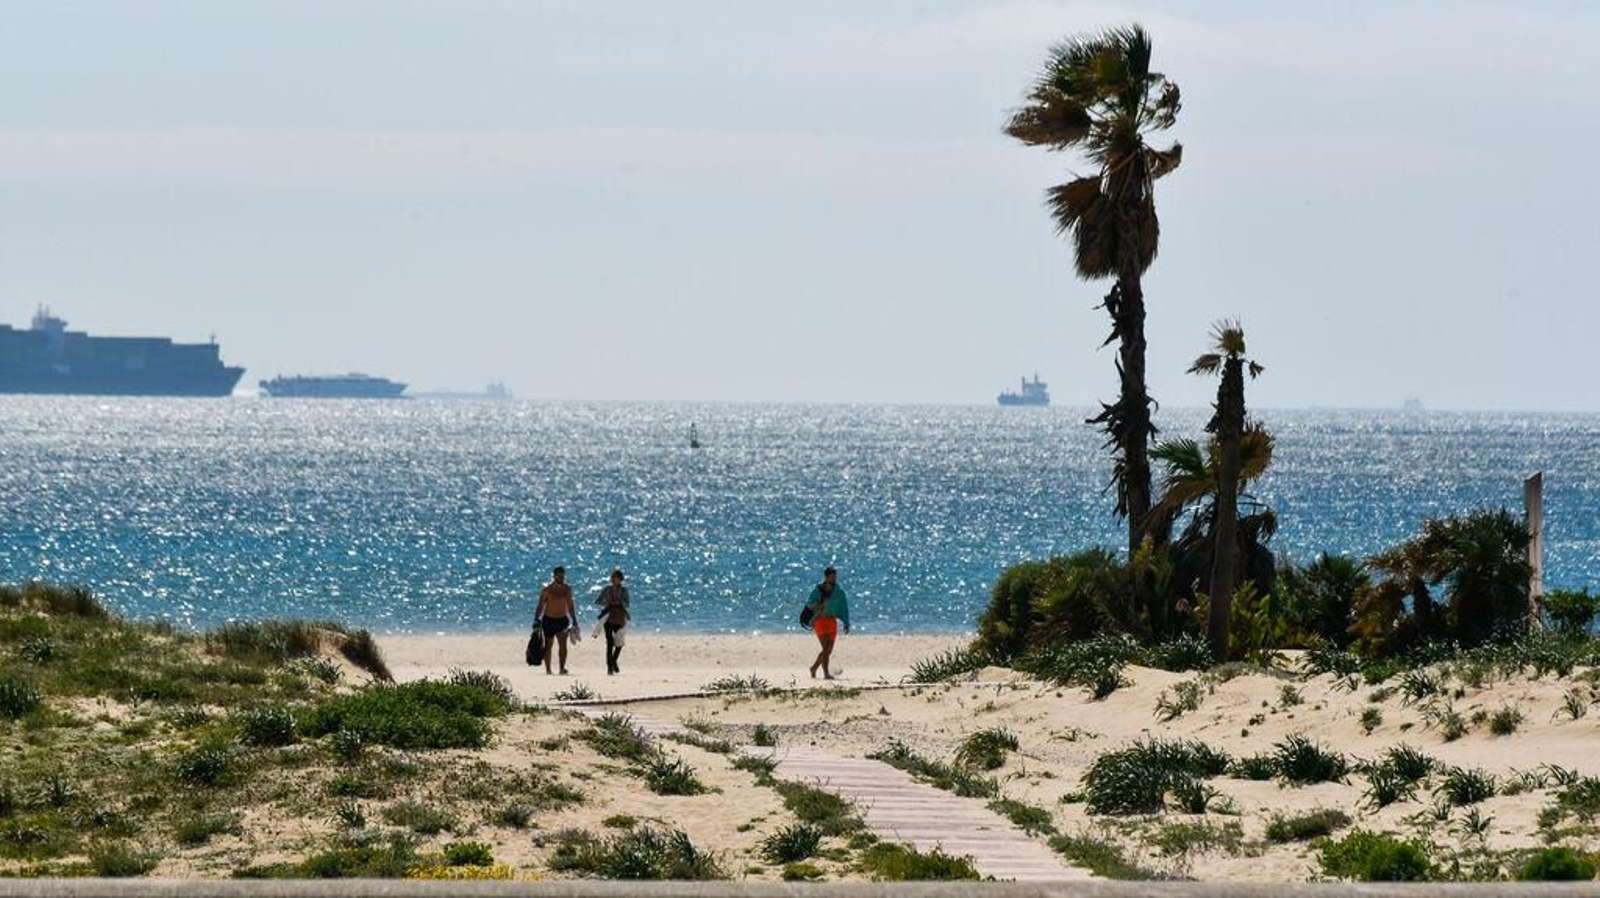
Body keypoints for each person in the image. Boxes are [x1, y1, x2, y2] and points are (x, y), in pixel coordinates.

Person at [804, 566, 850, 679]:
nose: (834, 579)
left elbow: (844, 608)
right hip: (819, 620)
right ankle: (826, 673)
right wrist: (821, 602)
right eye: (832, 577)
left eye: (835, 577)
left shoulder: (839, 592)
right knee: (825, 648)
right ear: (826, 577)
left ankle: (814, 668)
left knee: (828, 650)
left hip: (832, 621)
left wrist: (846, 622)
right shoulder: (817, 590)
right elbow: (809, 603)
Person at [535, 565, 576, 675]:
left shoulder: (567, 589)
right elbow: (540, 605)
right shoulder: (547, 590)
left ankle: (562, 668)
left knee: (563, 645)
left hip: (562, 620)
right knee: (548, 645)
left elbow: (570, 606)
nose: (561, 579)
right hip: (548, 620)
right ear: (554, 576)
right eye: (559, 576)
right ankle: (548, 669)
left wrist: (574, 620)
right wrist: (536, 619)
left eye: (563, 577)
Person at [594, 568, 631, 675]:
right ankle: (609, 667)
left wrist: (619, 603)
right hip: (609, 617)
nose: (613, 579)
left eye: (616, 578)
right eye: (612, 578)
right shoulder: (607, 589)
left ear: (620, 579)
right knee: (609, 643)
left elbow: (627, 603)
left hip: (619, 617)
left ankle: (614, 661)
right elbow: (597, 601)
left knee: (619, 643)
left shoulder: (624, 591)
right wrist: (607, 602)